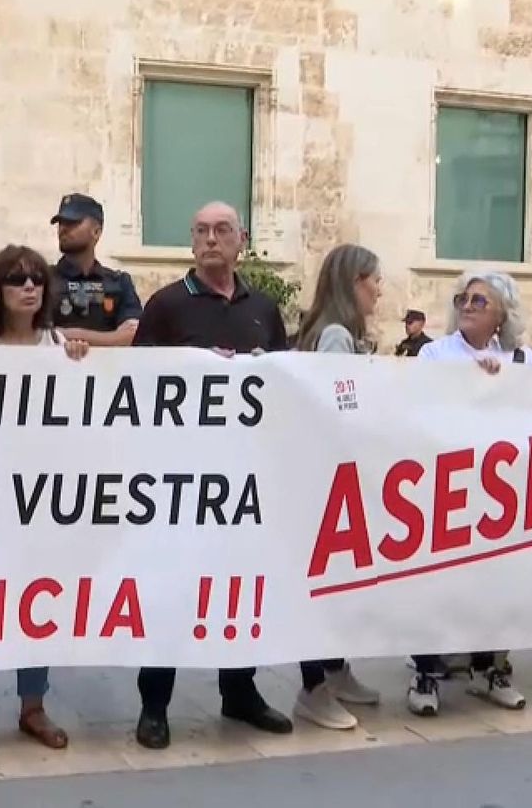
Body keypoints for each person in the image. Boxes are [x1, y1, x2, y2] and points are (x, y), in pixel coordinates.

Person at [130, 201, 294, 749]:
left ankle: (239, 690)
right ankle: (155, 704)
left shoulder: (264, 309)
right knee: (172, 588)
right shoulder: (166, 306)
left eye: (222, 230)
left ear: (241, 239)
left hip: (244, 479)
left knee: (239, 586)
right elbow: (139, 385)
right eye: (200, 230)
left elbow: (285, 385)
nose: (210, 239)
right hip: (180, 478)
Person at [0, 245, 88, 757]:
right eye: (15, 279)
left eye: (36, 279)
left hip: (40, 496)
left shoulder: (59, 346)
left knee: (37, 598)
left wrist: (77, 363)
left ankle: (33, 705)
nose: (28, 287)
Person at [406, 270, 532, 716]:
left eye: (480, 300)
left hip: (501, 492)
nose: (467, 305)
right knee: (437, 580)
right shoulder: (435, 353)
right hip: (445, 486)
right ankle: (427, 671)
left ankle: (492, 665)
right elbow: (418, 408)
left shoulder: (522, 359)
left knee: (499, 581)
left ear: (502, 313)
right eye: (464, 297)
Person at [287, 245, 385, 730]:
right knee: (323, 586)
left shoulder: (328, 333)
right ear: (353, 284)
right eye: (373, 280)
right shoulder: (335, 337)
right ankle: (314, 687)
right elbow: (335, 406)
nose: (379, 290)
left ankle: (334, 669)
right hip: (327, 478)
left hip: (322, 474)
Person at [48, 194, 142, 346]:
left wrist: (67, 334)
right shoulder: (43, 280)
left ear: (96, 232)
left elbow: (132, 335)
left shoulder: (119, 282)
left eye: (73, 222)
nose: (63, 229)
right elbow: (41, 336)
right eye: (61, 223)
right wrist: (112, 337)